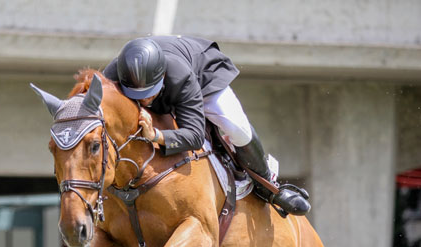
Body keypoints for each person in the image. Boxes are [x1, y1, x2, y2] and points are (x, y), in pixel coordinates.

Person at [103, 35, 310, 216]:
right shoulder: (113, 75)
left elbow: (194, 135)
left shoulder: (180, 76)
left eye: (150, 93)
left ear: (162, 77)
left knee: (236, 128)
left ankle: (269, 186)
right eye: (139, 95)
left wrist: (156, 135)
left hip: (203, 75)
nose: (145, 100)